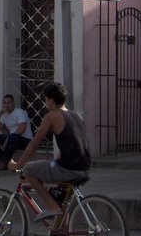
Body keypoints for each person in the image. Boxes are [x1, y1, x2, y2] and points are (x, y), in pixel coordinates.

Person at [8, 83, 91, 225]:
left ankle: (50, 206)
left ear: (51, 101)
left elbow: (35, 142)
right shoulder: (75, 116)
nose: (45, 104)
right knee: (61, 202)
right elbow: (73, 146)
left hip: (68, 169)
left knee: (29, 169)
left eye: (45, 100)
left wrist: (18, 164)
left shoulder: (52, 116)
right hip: (84, 168)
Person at [0, 94, 33, 170]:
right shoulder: (4, 115)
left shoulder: (20, 112)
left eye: (9, 103)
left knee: (12, 136)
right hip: (12, 139)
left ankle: (4, 162)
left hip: (26, 140)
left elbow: (22, 128)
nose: (6, 105)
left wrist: (8, 139)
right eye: (4, 103)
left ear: (13, 103)